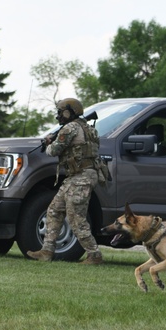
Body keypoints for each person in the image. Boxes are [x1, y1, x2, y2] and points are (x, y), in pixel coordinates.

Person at [27, 98, 106, 264]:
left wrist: (48, 142)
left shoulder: (70, 128)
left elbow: (53, 151)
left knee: (76, 217)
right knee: (54, 210)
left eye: (61, 112)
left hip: (80, 177)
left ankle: (94, 254)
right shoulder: (88, 128)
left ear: (70, 111)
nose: (59, 115)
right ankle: (47, 251)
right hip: (78, 176)